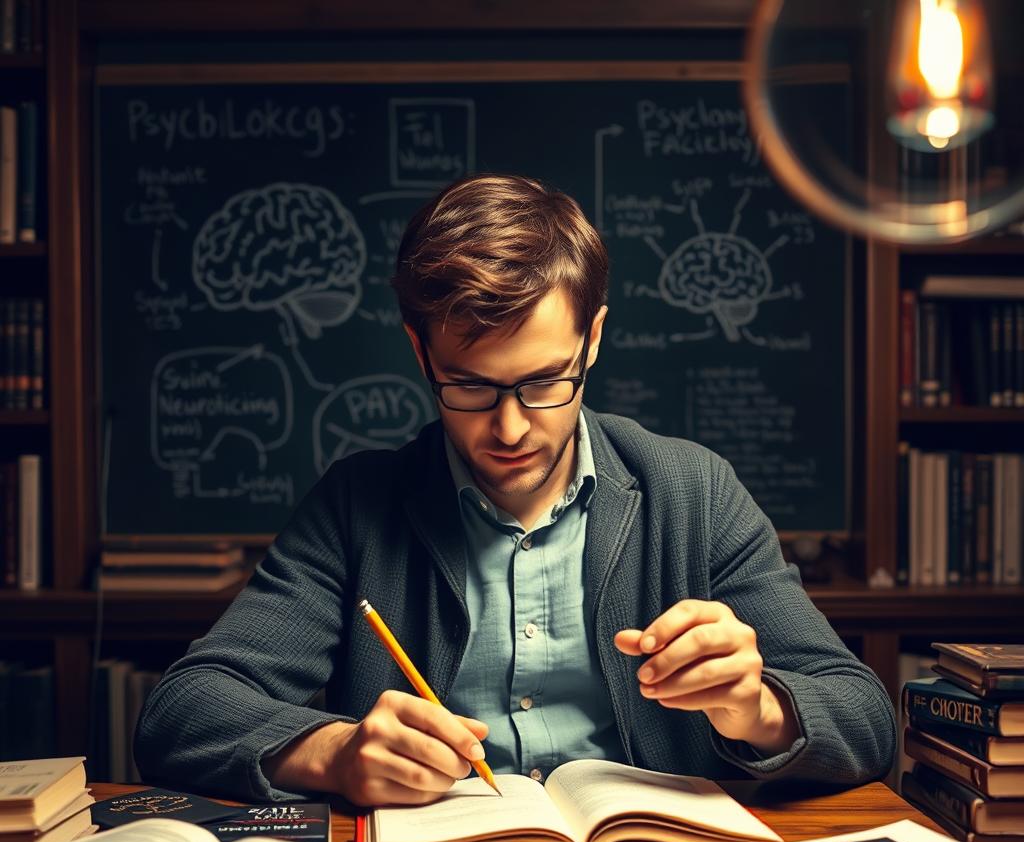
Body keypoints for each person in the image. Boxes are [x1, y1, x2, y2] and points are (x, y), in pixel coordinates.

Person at [135, 173, 896, 805]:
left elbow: (866, 717)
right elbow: (181, 713)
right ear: (419, 350)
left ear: (592, 340)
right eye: (468, 386)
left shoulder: (692, 491)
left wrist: (757, 708)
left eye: (543, 383)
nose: (508, 429)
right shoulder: (356, 506)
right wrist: (333, 753)